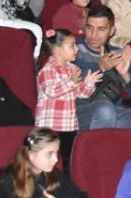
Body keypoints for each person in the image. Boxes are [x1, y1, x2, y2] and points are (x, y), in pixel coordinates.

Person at [36, 29, 101, 164]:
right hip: (50, 127)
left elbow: (81, 93)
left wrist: (89, 83)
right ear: (58, 50)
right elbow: (52, 91)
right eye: (72, 45)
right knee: (50, 161)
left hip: (69, 126)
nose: (77, 49)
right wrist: (71, 82)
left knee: (66, 161)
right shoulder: (47, 70)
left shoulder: (72, 69)